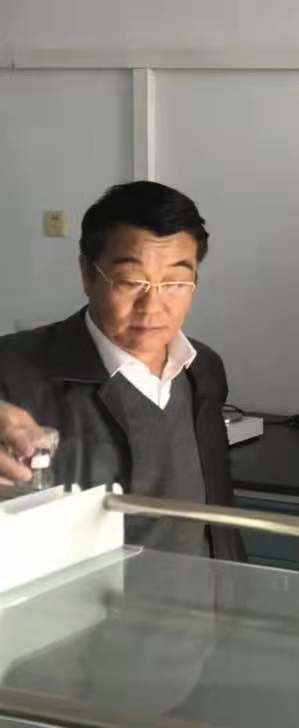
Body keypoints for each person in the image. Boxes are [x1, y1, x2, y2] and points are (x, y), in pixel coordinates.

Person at [0, 181, 244, 559]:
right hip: (81, 594)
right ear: (88, 274)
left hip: (202, 590)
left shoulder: (204, 368)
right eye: (131, 282)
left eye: (175, 283)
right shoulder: (13, 369)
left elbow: (217, 510)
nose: (153, 306)